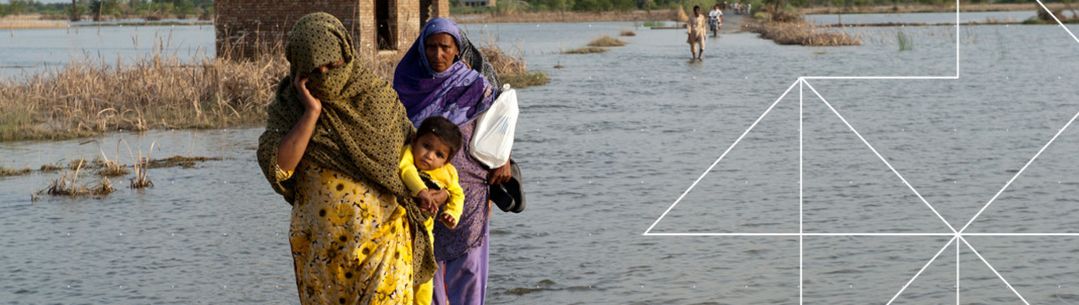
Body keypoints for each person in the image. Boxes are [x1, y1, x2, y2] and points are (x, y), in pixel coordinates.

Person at [256, 12, 443, 305]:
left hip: (384, 243)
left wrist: (433, 189)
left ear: (346, 54)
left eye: (334, 65)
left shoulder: (376, 97)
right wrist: (311, 114)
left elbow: (412, 156)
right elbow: (280, 169)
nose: (327, 75)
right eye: (316, 71)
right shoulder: (288, 107)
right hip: (321, 252)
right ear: (299, 69)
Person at [393, 18, 513, 305]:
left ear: (457, 49)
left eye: (445, 47)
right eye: (431, 47)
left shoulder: (475, 85)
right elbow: (395, 138)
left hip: (468, 191)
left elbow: (497, 130)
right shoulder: (406, 85)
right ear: (421, 49)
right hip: (420, 191)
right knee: (425, 266)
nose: (438, 55)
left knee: (469, 266)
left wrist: (504, 158)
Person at [398, 116, 465, 305]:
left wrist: (452, 214)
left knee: (424, 281)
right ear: (415, 141)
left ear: (447, 160)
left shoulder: (448, 172)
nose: (429, 156)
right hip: (400, 230)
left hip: (426, 234)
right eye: (426, 146)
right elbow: (405, 170)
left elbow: (458, 194)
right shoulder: (408, 154)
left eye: (439, 155)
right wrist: (422, 191)